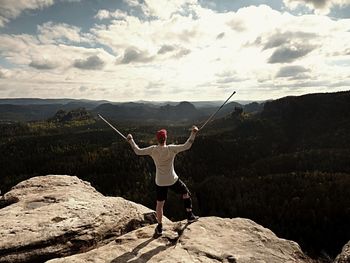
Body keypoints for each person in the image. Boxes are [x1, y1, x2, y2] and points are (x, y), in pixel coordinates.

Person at [126, 125, 199, 235]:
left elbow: (138, 151)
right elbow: (187, 145)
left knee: (160, 204)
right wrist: (194, 132)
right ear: (166, 138)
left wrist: (131, 140)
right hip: (172, 179)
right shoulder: (171, 149)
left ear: (157, 139)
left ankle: (159, 227)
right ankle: (189, 215)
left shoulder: (153, 150)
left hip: (160, 181)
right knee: (185, 193)